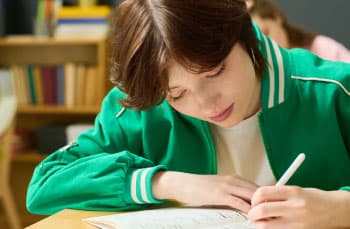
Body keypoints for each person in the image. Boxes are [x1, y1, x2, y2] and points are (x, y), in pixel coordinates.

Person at [26, 0, 350, 228]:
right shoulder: (143, 105)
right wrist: (165, 183)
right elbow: (45, 185)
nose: (208, 105)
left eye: (215, 71)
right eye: (177, 94)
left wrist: (339, 209)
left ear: (245, 35)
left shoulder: (333, 89)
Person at [248, 0, 350, 62]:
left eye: (266, 33)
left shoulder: (322, 48)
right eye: (259, 41)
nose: (267, 45)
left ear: (276, 17)